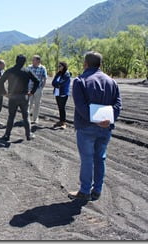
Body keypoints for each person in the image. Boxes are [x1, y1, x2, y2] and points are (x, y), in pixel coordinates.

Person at [68, 51, 122, 201]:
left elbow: (80, 106)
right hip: (106, 128)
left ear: (85, 63)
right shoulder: (112, 82)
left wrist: (94, 119)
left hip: (86, 126)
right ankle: (97, 190)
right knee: (100, 158)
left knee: (87, 159)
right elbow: (118, 104)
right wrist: (108, 119)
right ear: (100, 64)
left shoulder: (80, 81)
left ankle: (85, 191)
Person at [0, 54, 41, 141]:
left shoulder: (10, 71)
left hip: (13, 96)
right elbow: (37, 81)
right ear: (24, 62)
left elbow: (0, 82)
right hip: (24, 97)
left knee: (11, 116)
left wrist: (5, 92)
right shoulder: (27, 71)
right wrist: (32, 92)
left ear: (16, 60)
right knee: (26, 116)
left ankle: (7, 135)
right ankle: (28, 135)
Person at [27, 55, 47, 125]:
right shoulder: (29, 67)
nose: (32, 61)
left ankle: (35, 119)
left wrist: (42, 87)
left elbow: (44, 78)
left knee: (37, 104)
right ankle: (27, 119)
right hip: (30, 88)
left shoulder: (42, 68)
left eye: (34, 60)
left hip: (38, 89)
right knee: (28, 104)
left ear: (38, 61)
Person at [52, 61, 71, 129]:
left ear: (64, 66)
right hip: (57, 93)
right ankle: (61, 121)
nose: (58, 67)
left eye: (60, 66)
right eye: (58, 66)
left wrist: (57, 84)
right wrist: (57, 84)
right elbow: (53, 83)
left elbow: (61, 83)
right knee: (60, 107)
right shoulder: (58, 74)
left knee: (62, 108)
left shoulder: (67, 74)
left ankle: (63, 123)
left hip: (63, 93)